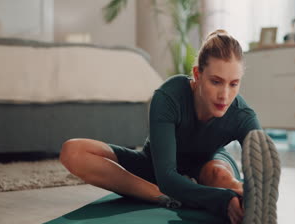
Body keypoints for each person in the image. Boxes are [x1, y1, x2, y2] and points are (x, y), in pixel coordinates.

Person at [60, 29, 280, 224]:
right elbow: (166, 175)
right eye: (216, 81)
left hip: (209, 166)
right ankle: (158, 195)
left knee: (221, 178)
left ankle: (244, 201)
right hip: (155, 167)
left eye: (234, 84)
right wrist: (220, 200)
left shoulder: (242, 114)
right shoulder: (169, 96)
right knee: (73, 151)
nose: (225, 95)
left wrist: (242, 195)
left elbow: (260, 157)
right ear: (197, 74)